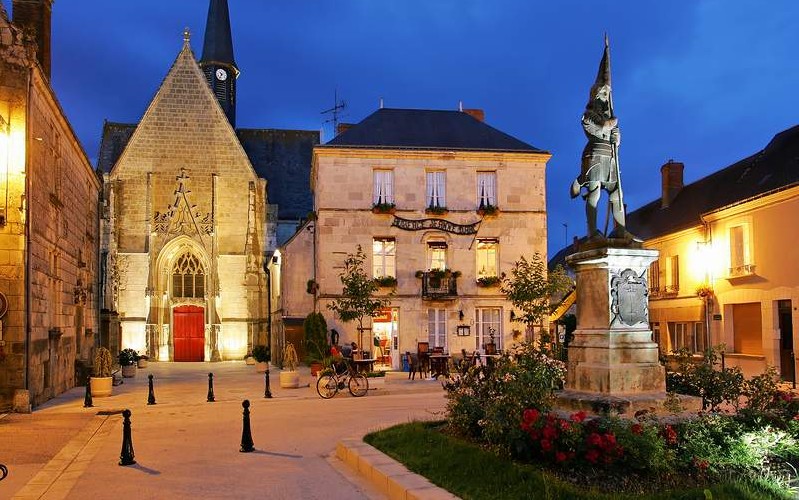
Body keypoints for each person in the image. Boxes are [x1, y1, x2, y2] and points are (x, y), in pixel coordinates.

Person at [570, 38, 630, 240]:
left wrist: (617, 138)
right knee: (594, 192)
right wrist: (610, 125)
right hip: (594, 153)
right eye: (603, 94)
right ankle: (592, 232)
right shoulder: (588, 115)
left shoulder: (608, 116)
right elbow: (596, 129)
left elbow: (612, 135)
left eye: (607, 94)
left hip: (609, 155)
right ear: (595, 96)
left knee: (616, 193)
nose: (605, 97)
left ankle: (621, 230)